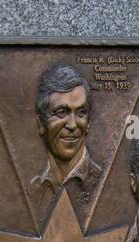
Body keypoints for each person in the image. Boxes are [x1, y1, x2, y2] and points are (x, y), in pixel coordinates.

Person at [31, 64, 101, 200]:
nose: (72, 125)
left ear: (88, 123)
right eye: (62, 112)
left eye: (81, 113)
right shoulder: (34, 188)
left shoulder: (103, 181)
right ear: (41, 123)